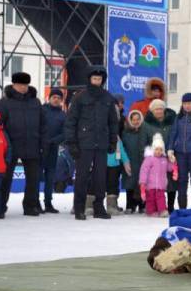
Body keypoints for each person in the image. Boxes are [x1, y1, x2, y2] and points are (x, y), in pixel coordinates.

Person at [64, 66, 119, 221]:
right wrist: (72, 143)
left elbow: (113, 122)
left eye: (99, 79)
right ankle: (79, 208)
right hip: (84, 143)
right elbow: (71, 121)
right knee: (81, 177)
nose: (97, 81)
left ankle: (99, 207)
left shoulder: (108, 97)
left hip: (101, 143)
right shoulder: (80, 97)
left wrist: (112, 141)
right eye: (94, 79)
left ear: (103, 80)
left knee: (100, 177)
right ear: (89, 79)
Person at [0, 72, 47, 216]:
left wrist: (42, 143)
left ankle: (30, 206)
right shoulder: (4, 102)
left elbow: (43, 125)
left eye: (25, 84)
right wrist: (5, 144)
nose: (23, 87)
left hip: (32, 144)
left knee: (33, 179)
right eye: (20, 84)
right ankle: (0, 206)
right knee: (6, 178)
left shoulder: (35, 102)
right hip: (11, 146)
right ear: (13, 84)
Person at [142, 99, 179, 212]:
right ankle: (155, 206)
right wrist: (147, 154)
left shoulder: (172, 121)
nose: (159, 111)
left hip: (169, 154)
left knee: (171, 182)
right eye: (156, 109)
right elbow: (144, 140)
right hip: (154, 157)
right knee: (154, 182)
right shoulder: (146, 124)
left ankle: (171, 206)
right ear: (152, 111)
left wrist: (173, 150)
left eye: (160, 109)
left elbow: (176, 135)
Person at [40, 88, 65, 214]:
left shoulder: (63, 115)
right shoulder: (42, 110)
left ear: (61, 101)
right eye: (54, 97)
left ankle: (48, 202)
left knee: (50, 178)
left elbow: (65, 133)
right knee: (35, 178)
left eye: (58, 98)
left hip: (53, 150)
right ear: (49, 98)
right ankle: (34, 202)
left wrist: (53, 141)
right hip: (39, 149)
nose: (56, 99)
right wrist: (43, 141)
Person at [139, 133, 175, 217]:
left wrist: (172, 162)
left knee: (161, 198)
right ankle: (150, 211)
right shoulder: (149, 159)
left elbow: (169, 168)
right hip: (150, 185)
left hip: (160, 185)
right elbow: (144, 170)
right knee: (150, 199)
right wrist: (143, 182)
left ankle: (162, 211)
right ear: (153, 149)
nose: (158, 152)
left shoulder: (164, 159)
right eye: (156, 149)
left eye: (160, 150)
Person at [121, 110, 147, 214]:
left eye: (138, 119)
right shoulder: (125, 132)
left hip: (142, 161)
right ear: (130, 120)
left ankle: (142, 205)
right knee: (129, 183)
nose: (136, 121)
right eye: (133, 119)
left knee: (142, 183)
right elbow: (122, 147)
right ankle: (130, 205)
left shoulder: (145, 131)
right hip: (130, 160)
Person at [106, 135, 130, 215]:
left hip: (115, 165)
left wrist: (126, 162)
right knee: (98, 185)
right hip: (102, 165)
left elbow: (121, 151)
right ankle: (91, 205)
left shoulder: (117, 138)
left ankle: (112, 206)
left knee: (113, 186)